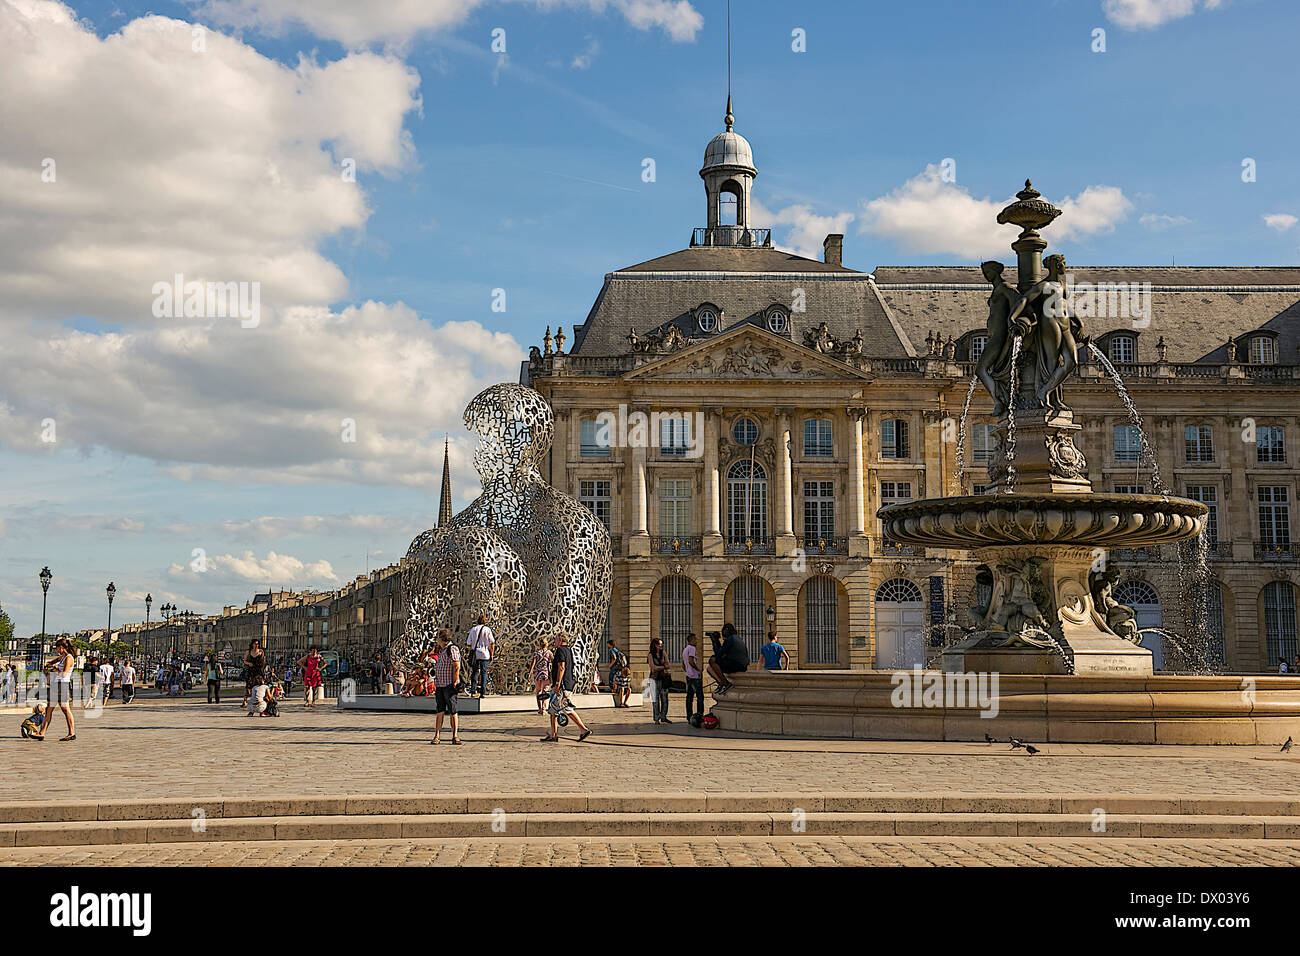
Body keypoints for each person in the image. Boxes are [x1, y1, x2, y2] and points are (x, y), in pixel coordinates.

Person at [542, 632, 591, 742]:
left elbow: (562, 667)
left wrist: (558, 684)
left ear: (560, 640)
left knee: (566, 708)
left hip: (562, 686)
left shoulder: (560, 651)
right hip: (568, 683)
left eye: (555, 639)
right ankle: (553, 735)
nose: (554, 641)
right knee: (554, 710)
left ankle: (583, 729)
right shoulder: (568, 650)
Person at [35, 638, 76, 741]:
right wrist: (49, 665)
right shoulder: (62, 657)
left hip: (63, 685)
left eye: (57, 648)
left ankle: (72, 733)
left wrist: (54, 669)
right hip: (56, 684)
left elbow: (64, 674)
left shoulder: (69, 658)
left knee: (65, 710)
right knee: (49, 709)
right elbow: (52, 661)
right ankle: (41, 733)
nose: (56, 650)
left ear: (61, 647)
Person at [431, 629, 462, 745]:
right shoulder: (443, 650)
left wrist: (454, 682)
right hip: (440, 685)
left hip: (449, 685)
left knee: (453, 711)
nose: (436, 639)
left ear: (442, 638)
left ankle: (455, 736)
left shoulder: (451, 649)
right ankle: (437, 736)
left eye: (438, 637)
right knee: (440, 710)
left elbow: (456, 665)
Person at [706, 623, 749, 696]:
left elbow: (718, 655)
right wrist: (717, 641)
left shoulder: (730, 639)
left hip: (737, 665)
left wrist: (715, 641)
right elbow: (721, 653)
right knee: (710, 668)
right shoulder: (734, 638)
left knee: (712, 660)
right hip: (740, 664)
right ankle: (721, 684)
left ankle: (726, 684)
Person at [466, 615, 495, 697]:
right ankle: (483, 692)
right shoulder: (487, 630)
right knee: (484, 673)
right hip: (485, 654)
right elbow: (492, 642)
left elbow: (468, 643)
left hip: (476, 653)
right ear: (485, 622)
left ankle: (473, 690)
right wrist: (492, 654)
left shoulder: (473, 629)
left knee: (475, 672)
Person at [647, 637, 672, 724]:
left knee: (665, 699)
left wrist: (660, 667)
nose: (661, 646)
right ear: (655, 645)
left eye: (661, 644)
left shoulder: (663, 653)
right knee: (655, 700)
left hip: (663, 678)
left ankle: (664, 716)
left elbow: (668, 665)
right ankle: (656, 718)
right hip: (654, 679)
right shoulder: (650, 655)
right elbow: (653, 668)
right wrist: (663, 667)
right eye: (659, 645)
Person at [682, 633, 704, 723]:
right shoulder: (692, 648)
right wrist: (697, 669)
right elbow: (691, 661)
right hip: (694, 676)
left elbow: (683, 664)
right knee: (700, 697)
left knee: (689, 697)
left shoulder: (685, 649)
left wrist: (688, 671)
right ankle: (700, 715)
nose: (697, 641)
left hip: (689, 676)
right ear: (692, 640)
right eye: (695, 639)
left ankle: (689, 716)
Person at [531, 637, 552, 715]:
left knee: (538, 691)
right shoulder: (549, 653)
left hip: (537, 673)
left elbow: (533, 664)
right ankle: (544, 708)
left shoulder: (536, 653)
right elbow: (553, 661)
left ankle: (540, 708)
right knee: (544, 691)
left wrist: (530, 673)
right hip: (545, 673)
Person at [608, 641, 631, 708]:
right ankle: (623, 702)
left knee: (613, 678)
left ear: (610, 644)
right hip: (620, 667)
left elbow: (614, 658)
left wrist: (610, 665)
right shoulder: (617, 650)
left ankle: (613, 690)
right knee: (620, 681)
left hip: (615, 667)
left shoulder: (612, 650)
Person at [244, 640, 266, 705]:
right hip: (251, 670)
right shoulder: (248, 651)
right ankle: (245, 701)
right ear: (252, 644)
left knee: (260, 685)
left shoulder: (261, 651)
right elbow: (244, 661)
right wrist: (249, 663)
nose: (256, 645)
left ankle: (260, 700)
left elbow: (263, 661)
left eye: (257, 644)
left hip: (258, 670)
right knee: (249, 686)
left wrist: (263, 661)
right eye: (255, 644)